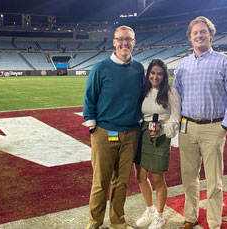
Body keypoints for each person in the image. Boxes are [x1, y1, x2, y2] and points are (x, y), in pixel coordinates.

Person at [173, 16, 227, 229]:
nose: (199, 35)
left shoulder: (225, 62)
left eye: (203, 32)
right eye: (195, 33)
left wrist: (225, 125)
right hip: (187, 128)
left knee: (214, 180)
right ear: (190, 37)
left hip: (214, 126)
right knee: (189, 177)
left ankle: (214, 222)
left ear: (211, 35)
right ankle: (190, 216)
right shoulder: (182, 65)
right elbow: (175, 97)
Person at [83, 25, 144, 229]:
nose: (124, 43)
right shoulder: (100, 68)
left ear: (134, 42)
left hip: (130, 133)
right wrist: (93, 128)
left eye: (129, 39)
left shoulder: (138, 69)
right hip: (105, 132)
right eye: (120, 39)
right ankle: (94, 223)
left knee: (122, 182)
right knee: (101, 182)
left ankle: (117, 222)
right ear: (114, 42)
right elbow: (90, 97)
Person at [133, 59, 181, 229]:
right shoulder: (144, 91)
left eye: (159, 73)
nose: (155, 76)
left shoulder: (171, 92)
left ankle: (159, 216)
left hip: (161, 134)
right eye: (152, 73)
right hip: (142, 133)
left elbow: (176, 118)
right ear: (148, 74)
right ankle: (150, 210)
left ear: (164, 75)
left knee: (158, 178)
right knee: (140, 175)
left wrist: (161, 131)